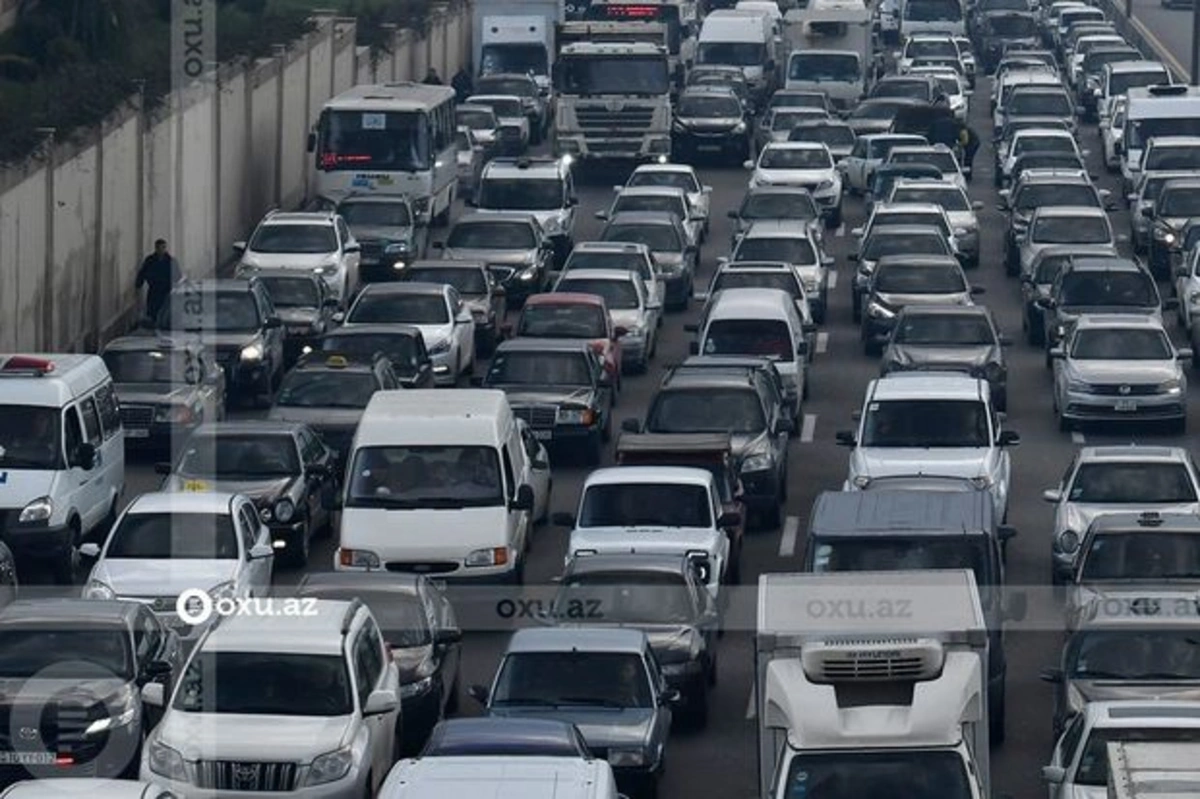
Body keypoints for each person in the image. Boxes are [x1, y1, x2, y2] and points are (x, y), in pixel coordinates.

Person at [135, 239, 181, 324]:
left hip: (167, 290)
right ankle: (155, 323)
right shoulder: (150, 260)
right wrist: (138, 284)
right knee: (153, 310)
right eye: (159, 248)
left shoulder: (170, 261)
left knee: (166, 310)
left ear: (165, 248)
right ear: (155, 248)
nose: (161, 250)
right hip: (154, 290)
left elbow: (178, 275)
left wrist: (176, 287)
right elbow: (143, 272)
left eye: (163, 247)